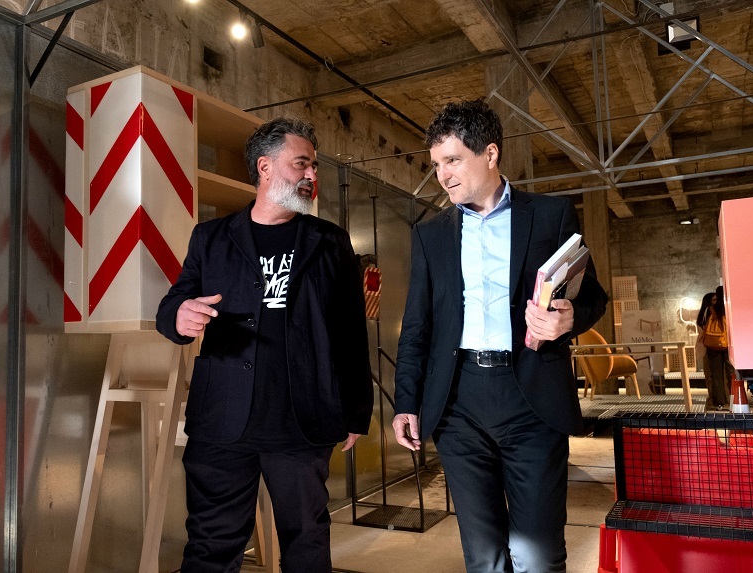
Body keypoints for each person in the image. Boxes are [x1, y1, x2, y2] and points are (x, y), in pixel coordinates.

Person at [392, 99, 608, 573]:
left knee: (536, 554)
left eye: (452, 160)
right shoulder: (430, 235)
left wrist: (569, 319)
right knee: (483, 557)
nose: (443, 175)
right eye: (436, 164)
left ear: (489, 154)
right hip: (458, 404)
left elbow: (593, 295)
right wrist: (406, 401)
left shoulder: (550, 215)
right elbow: (417, 327)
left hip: (531, 397)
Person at [156, 117, 373, 573]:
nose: (311, 175)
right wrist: (179, 315)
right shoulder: (211, 237)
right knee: (210, 545)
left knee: (307, 544)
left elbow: (352, 333)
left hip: (302, 423)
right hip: (222, 419)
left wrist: (356, 412)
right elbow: (176, 301)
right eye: (301, 164)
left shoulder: (330, 242)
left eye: (314, 166)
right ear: (265, 166)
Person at [697, 286, 732, 410]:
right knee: (731, 374)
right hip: (728, 345)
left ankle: (719, 402)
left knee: (716, 375)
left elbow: (702, 324)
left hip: (713, 345)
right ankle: (733, 400)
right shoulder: (728, 308)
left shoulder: (709, 309)